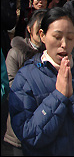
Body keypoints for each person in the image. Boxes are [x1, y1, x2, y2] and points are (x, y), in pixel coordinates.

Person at [9, 7, 74, 155]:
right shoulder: (26, 78)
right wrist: (59, 96)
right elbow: (30, 135)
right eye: (57, 37)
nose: (64, 44)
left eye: (70, 38)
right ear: (42, 35)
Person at [3, 9, 46, 152]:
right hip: (19, 125)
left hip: (44, 128)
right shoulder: (16, 52)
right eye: (38, 27)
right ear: (29, 28)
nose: (41, 32)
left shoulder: (50, 55)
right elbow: (10, 85)